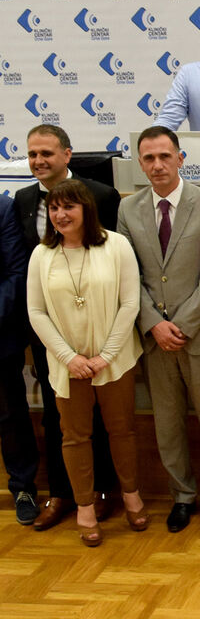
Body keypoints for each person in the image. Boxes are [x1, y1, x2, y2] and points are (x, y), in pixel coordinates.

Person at [117, 126, 200, 536]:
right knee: (167, 424)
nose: (157, 165)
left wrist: (182, 325)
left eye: (165, 156)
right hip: (155, 339)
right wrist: (154, 324)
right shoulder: (128, 210)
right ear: (140, 163)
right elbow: (128, 275)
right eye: (149, 158)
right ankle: (182, 496)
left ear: (180, 158)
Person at [26, 181, 147, 546]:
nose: (60, 215)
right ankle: (85, 508)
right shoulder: (41, 255)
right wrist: (71, 358)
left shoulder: (116, 245)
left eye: (69, 207)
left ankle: (131, 496)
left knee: (121, 430)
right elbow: (36, 311)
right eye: (54, 209)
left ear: (86, 209)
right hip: (67, 365)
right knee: (74, 436)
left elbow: (130, 303)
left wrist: (105, 356)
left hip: (114, 359)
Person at [13, 125, 121, 531]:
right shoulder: (23, 200)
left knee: (101, 415)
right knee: (57, 416)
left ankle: (102, 491)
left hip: (99, 330)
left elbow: (114, 261)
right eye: (32, 154)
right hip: (49, 333)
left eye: (47, 153)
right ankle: (62, 493)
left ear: (67, 155)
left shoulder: (102, 196)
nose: (38, 161)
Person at [0, 195, 34, 525]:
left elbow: (15, 272)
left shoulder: (3, 207)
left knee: (10, 415)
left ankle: (23, 488)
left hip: (0, 334)